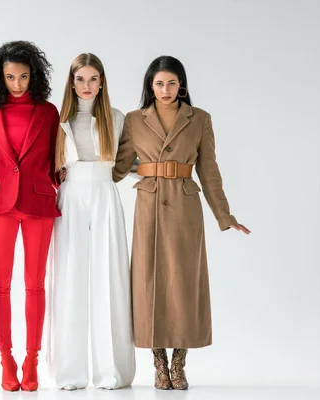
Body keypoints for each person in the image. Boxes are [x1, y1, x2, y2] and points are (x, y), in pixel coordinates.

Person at [112, 56, 251, 390]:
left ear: (182, 85)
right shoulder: (133, 120)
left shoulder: (199, 119)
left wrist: (224, 214)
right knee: (148, 283)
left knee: (184, 283)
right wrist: (79, 178)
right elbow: (118, 167)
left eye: (171, 83)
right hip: (148, 206)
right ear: (149, 86)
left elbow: (210, 170)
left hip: (186, 207)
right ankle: (158, 364)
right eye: (158, 83)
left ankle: (179, 364)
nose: (165, 90)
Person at [46, 53, 136, 391]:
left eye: (93, 79)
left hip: (104, 193)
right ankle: (69, 373)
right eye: (80, 79)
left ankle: (111, 371)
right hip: (70, 196)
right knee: (68, 278)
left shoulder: (116, 118)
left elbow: (127, 162)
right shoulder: (59, 120)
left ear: (102, 82)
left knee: (109, 276)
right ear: (72, 82)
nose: (87, 86)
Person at [0, 40, 60, 392]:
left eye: (23, 77)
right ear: (0, 77)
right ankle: (6, 358)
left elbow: (59, 157)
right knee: (0, 283)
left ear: (34, 76)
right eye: (10, 77)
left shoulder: (48, 112)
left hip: (40, 201)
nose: (17, 84)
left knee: (35, 284)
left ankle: (32, 359)